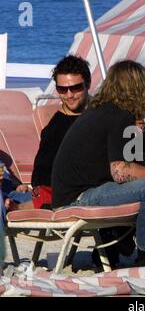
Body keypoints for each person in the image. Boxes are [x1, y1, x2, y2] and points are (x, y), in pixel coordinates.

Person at [51, 60, 145, 275]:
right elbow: (121, 170)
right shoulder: (118, 114)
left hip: (85, 191)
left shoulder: (106, 112)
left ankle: (130, 252)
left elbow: (139, 163)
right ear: (138, 87)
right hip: (77, 198)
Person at [31, 54, 91, 209]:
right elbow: (41, 177)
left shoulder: (102, 115)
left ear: (88, 84)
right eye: (62, 89)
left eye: (76, 88)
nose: (69, 95)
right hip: (75, 198)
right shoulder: (54, 130)